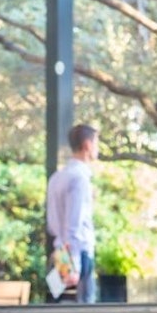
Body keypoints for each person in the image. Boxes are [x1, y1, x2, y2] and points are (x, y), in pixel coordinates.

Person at [46, 124, 99, 303]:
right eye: (96, 143)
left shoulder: (56, 177)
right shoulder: (80, 179)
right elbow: (74, 225)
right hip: (78, 254)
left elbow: (53, 224)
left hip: (61, 251)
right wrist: (74, 263)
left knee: (62, 312)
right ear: (87, 145)